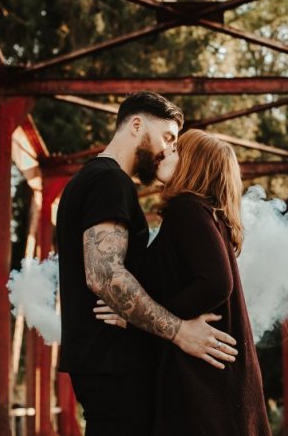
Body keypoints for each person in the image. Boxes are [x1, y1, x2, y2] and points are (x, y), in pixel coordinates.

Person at [56, 92, 239, 436]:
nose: (167, 149)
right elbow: (105, 275)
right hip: (114, 363)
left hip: (107, 362)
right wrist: (179, 330)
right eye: (168, 137)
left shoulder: (94, 179)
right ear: (137, 124)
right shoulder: (110, 181)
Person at [95, 129, 272, 436]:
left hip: (204, 382)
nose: (166, 152)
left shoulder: (188, 209)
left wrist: (140, 316)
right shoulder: (207, 215)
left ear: (194, 165)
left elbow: (217, 283)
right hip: (216, 378)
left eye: (177, 150)